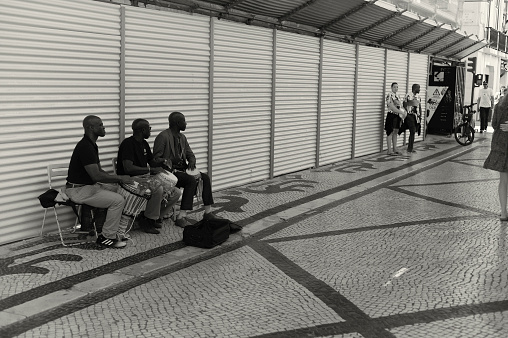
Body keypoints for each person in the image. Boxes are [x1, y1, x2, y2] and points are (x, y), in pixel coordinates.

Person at [65, 115, 134, 248]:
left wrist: (117, 182)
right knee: (118, 200)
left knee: (121, 191)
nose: (104, 128)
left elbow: (100, 172)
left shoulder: (91, 144)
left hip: (89, 187)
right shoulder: (85, 147)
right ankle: (106, 237)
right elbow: (96, 176)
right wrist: (120, 178)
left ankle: (115, 230)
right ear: (91, 127)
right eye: (101, 125)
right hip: (78, 190)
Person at [153, 111, 221, 227]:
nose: (186, 123)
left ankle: (208, 212)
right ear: (178, 123)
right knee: (190, 181)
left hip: (182, 170)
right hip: (168, 173)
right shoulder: (163, 137)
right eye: (184, 121)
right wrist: (169, 161)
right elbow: (155, 159)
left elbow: (190, 154)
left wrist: (192, 161)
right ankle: (181, 216)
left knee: (204, 178)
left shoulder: (182, 137)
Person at [116, 119, 181, 234]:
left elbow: (152, 162)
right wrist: (151, 169)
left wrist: (164, 162)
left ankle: (154, 217)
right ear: (143, 130)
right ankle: (148, 221)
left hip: (145, 178)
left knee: (175, 191)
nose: (150, 131)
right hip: (130, 180)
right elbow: (128, 168)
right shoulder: (128, 144)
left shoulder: (144, 144)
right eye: (149, 128)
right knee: (158, 188)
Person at [484, 91, 508, 221]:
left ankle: (503, 212)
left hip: (501, 144)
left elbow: (493, 124)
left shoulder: (499, 105)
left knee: (503, 181)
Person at [384, 82, 407, 155]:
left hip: (398, 116)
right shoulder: (389, 95)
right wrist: (401, 112)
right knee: (390, 132)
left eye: (397, 87)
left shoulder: (398, 96)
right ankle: (389, 150)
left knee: (396, 132)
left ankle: (395, 148)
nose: (396, 88)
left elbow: (400, 105)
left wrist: (404, 111)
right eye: (394, 87)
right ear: (391, 87)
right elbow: (391, 106)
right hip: (391, 115)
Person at [401, 83, 422, 154]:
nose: (419, 89)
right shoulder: (408, 95)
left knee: (413, 131)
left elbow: (419, 106)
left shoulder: (418, 96)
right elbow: (404, 105)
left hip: (416, 116)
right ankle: (410, 148)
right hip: (409, 115)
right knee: (412, 130)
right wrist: (406, 113)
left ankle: (410, 147)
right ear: (415, 88)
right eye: (418, 88)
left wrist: (420, 115)